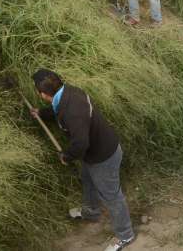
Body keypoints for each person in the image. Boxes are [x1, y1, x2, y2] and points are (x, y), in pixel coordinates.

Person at [30, 69, 135, 251]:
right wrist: (42, 113)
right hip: (92, 153)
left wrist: (66, 156)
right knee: (88, 181)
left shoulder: (73, 110)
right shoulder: (67, 92)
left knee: (111, 196)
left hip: (103, 156)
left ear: (43, 94)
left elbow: (80, 143)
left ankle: (125, 235)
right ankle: (91, 212)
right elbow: (58, 110)